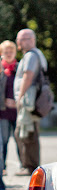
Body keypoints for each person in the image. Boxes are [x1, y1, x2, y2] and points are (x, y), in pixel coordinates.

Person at [14, 29, 47, 176]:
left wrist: (20, 97)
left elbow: (28, 76)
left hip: (28, 101)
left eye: (22, 39)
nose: (19, 42)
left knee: (27, 132)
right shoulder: (36, 54)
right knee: (26, 132)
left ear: (31, 39)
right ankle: (29, 165)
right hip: (32, 100)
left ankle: (30, 166)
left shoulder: (31, 56)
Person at [0, 41, 18, 176]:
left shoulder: (19, 68)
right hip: (4, 112)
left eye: (11, 51)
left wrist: (17, 102)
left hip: (17, 110)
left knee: (20, 139)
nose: (9, 54)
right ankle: (3, 166)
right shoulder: (1, 70)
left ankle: (24, 165)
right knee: (4, 139)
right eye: (6, 52)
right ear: (2, 54)